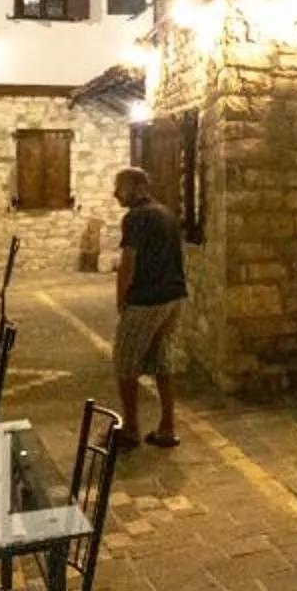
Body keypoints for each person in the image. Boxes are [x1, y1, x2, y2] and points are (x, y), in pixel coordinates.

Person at [112, 165, 186, 451]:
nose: (116, 193)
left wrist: (122, 299)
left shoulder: (136, 218)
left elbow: (128, 261)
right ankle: (167, 427)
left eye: (121, 187)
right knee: (162, 362)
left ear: (138, 187)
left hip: (146, 299)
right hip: (173, 297)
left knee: (125, 362)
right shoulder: (166, 213)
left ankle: (131, 429)